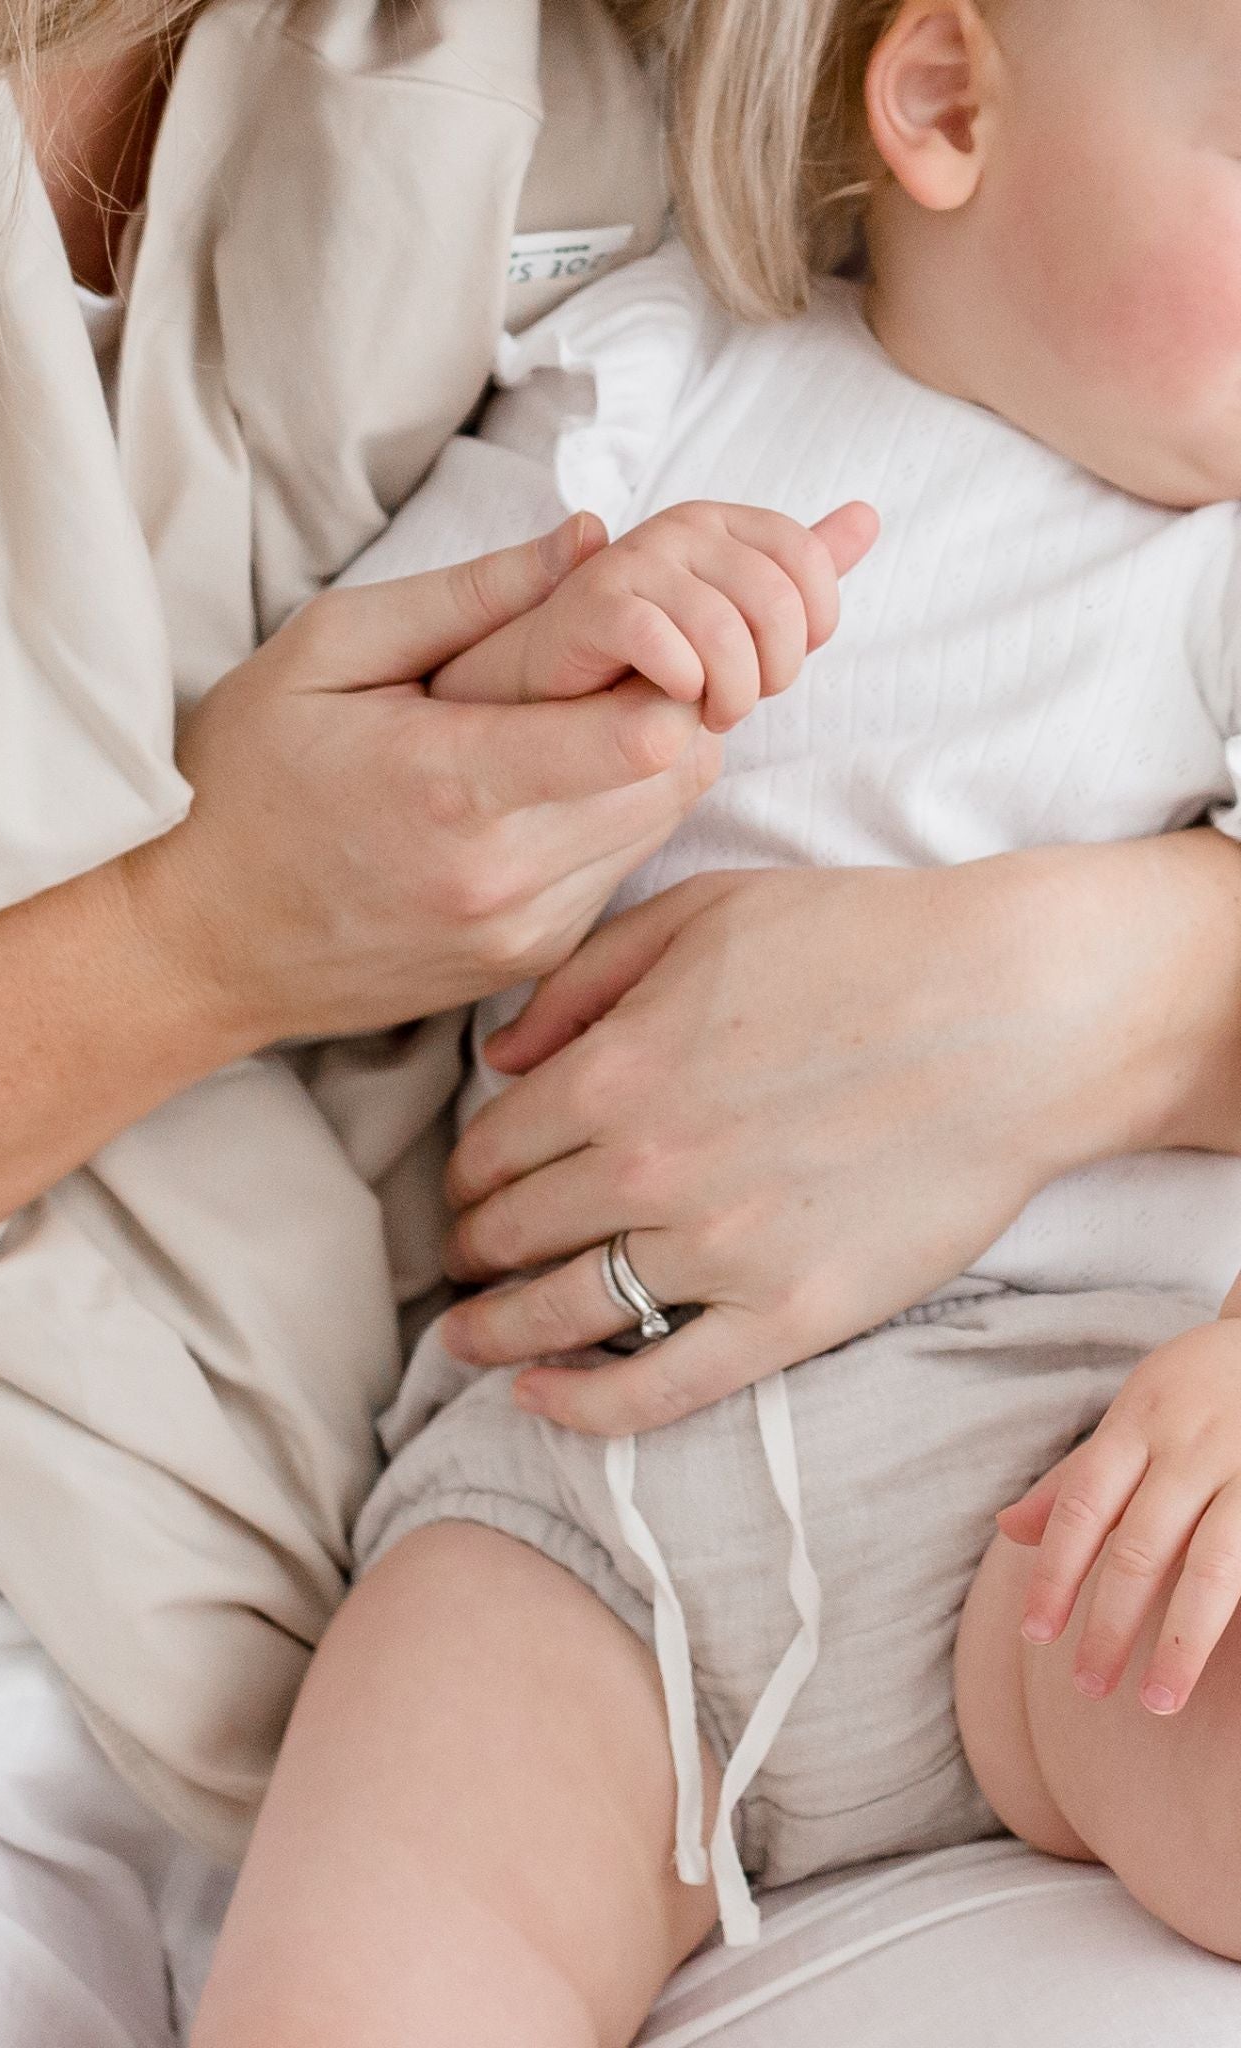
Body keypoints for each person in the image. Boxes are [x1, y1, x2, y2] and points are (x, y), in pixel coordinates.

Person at [0, 0, 1241, 2044]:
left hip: (1041, 1501)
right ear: (940, 103)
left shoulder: (651, 79)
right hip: (268, 1587)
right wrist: (189, 939)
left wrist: (1120, 988)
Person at [190, 0, 1241, 2041]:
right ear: (942, 103)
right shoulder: (665, 386)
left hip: (1090, 1476)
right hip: (581, 1501)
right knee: (361, 1971)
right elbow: (329, 820)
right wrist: (550, 672)